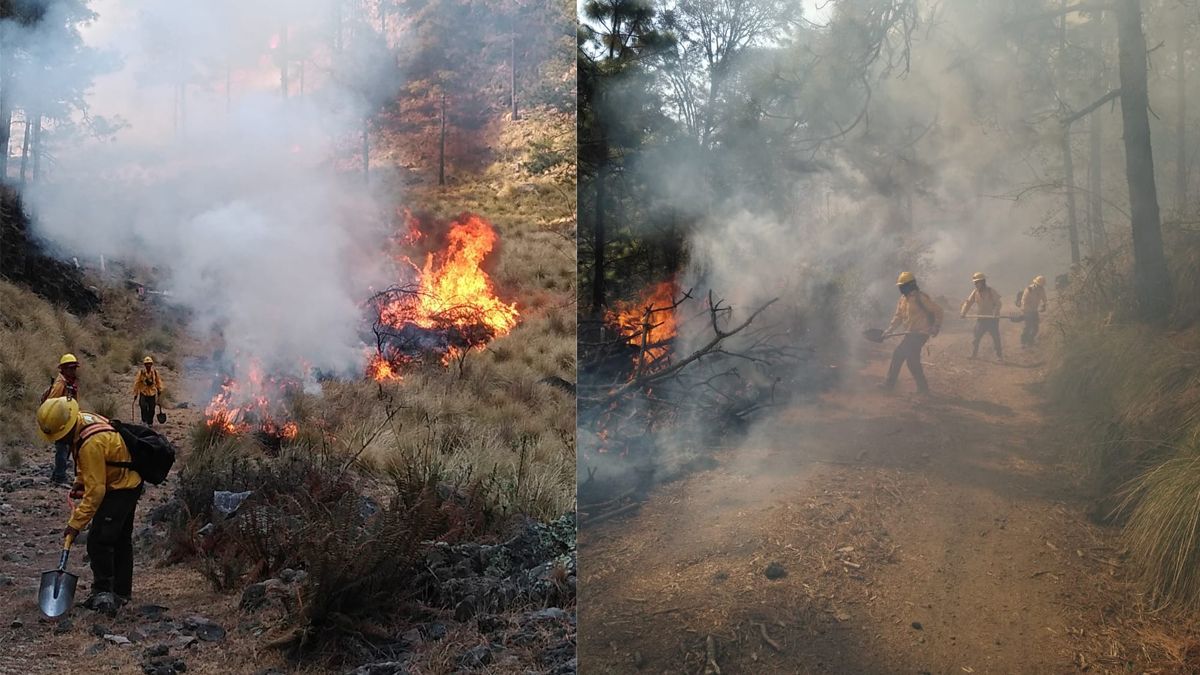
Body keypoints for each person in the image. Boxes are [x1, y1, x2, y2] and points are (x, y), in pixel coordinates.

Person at [36, 397, 143, 615]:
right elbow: (91, 466)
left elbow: (96, 493)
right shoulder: (84, 420)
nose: (59, 441)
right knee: (120, 539)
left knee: (99, 540)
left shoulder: (90, 444)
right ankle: (121, 593)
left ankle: (103, 592)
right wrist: (80, 481)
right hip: (127, 482)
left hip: (121, 488)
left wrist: (75, 524)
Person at [883, 271, 944, 395]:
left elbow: (938, 311)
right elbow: (898, 317)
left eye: (903, 285)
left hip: (920, 334)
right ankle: (923, 389)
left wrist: (936, 326)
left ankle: (889, 386)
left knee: (898, 354)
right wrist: (889, 330)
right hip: (910, 334)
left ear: (910, 285)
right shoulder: (903, 299)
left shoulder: (921, 298)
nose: (901, 288)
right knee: (912, 361)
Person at [43, 353, 81, 485]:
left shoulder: (70, 383)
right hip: (60, 421)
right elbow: (51, 403)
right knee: (62, 448)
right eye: (70, 368)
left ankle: (57, 474)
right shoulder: (61, 384)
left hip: (68, 420)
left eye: (74, 368)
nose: (73, 371)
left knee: (67, 448)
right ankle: (60, 477)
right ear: (63, 369)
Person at [960, 272, 1003, 362]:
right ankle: (974, 354)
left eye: (977, 282)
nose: (976, 284)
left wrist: (996, 312)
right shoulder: (975, 292)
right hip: (981, 319)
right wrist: (963, 312)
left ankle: (999, 356)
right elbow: (968, 303)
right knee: (976, 338)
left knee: (996, 338)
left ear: (983, 282)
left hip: (992, 319)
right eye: (975, 283)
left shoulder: (991, 291)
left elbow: (998, 303)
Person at [132, 356, 164, 426]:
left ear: (151, 364)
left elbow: (158, 381)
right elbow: (137, 383)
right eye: (147, 364)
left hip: (152, 393)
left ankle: (150, 422)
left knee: (152, 409)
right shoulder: (141, 373)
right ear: (145, 365)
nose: (148, 365)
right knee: (143, 407)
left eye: (149, 364)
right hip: (143, 393)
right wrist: (135, 393)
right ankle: (144, 421)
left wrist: (160, 389)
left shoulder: (155, 372)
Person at [1019, 275, 1048, 347]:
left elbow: (1044, 299)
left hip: (1034, 310)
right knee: (1028, 327)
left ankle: (1030, 341)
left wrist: (1044, 305)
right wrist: (1028, 309)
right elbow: (1024, 300)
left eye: (1042, 285)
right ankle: (1023, 342)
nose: (1041, 286)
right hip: (1027, 310)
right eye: (1040, 285)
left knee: (1036, 328)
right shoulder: (1029, 289)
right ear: (1036, 284)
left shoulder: (1042, 290)